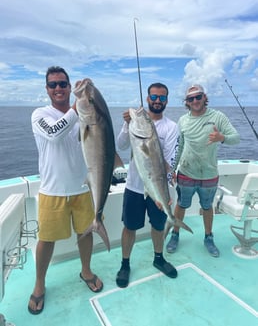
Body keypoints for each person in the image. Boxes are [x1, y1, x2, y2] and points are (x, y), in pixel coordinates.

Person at [28, 66, 103, 315]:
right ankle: (40, 284)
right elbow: (54, 134)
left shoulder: (83, 113)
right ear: (47, 89)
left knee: (86, 234)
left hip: (82, 189)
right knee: (46, 240)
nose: (58, 88)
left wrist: (90, 99)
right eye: (53, 85)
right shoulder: (40, 114)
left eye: (63, 84)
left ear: (70, 88)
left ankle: (86, 271)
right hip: (52, 191)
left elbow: (98, 133)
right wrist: (78, 107)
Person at [115, 82, 179, 288]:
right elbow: (121, 145)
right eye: (153, 97)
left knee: (158, 226)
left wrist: (166, 193)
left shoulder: (171, 127)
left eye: (161, 98)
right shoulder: (135, 124)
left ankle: (158, 258)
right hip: (134, 186)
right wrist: (127, 124)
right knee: (129, 227)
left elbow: (169, 162)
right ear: (148, 98)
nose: (157, 101)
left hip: (157, 188)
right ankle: (125, 264)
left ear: (167, 101)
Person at [166, 84, 240, 257]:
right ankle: (175, 234)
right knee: (181, 205)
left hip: (209, 175)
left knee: (207, 207)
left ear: (204, 97)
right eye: (191, 98)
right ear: (187, 102)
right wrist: (173, 170)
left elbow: (235, 138)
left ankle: (208, 237)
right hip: (186, 172)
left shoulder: (218, 117)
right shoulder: (183, 120)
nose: (195, 101)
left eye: (198, 97)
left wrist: (222, 138)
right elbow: (179, 146)